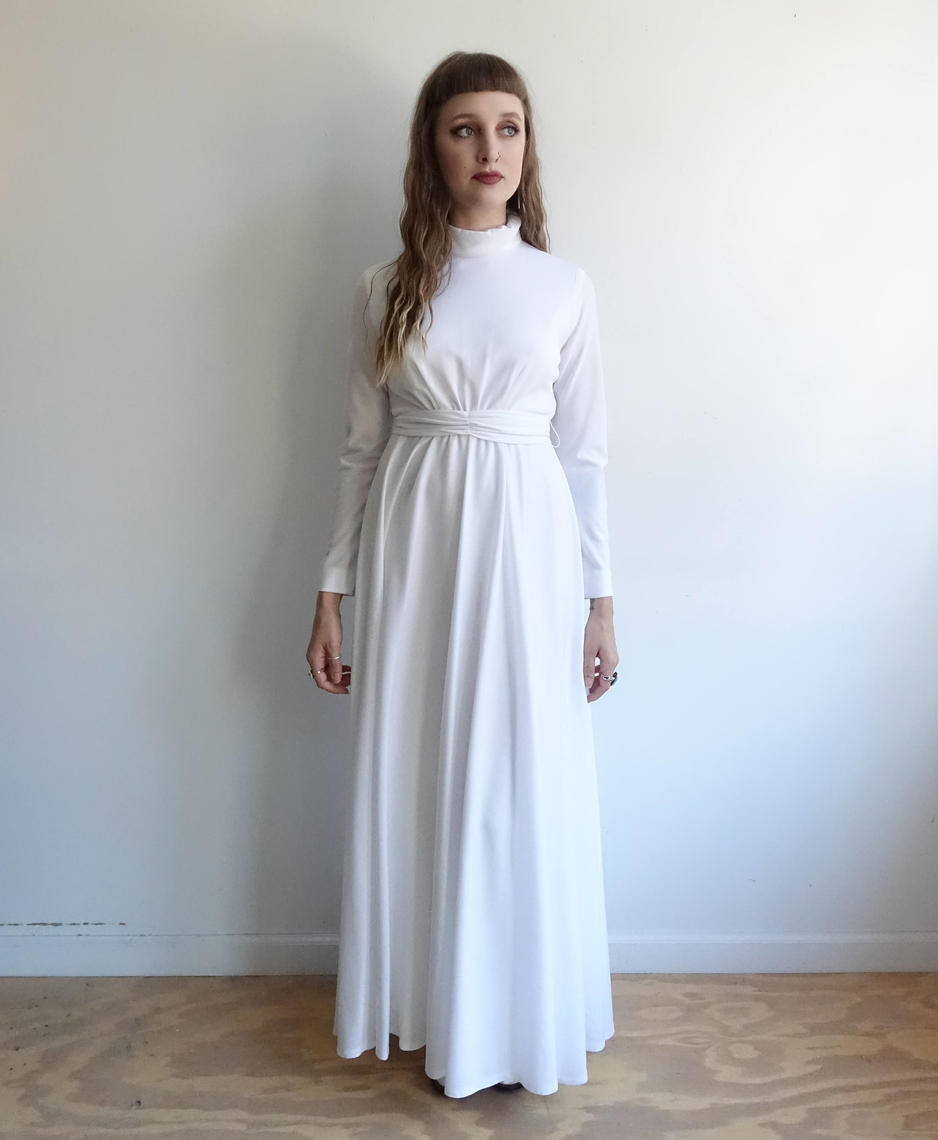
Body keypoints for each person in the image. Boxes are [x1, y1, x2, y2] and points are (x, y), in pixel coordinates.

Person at [306, 50, 619, 1100]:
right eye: (464, 129)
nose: (490, 148)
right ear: (430, 149)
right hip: (415, 542)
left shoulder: (563, 288)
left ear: (527, 149)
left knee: (514, 769)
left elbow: (584, 457)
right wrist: (331, 591)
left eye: (508, 128)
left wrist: (600, 603)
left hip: (527, 546)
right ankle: (436, 1009)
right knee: (424, 761)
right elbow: (359, 452)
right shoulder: (382, 289)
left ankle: (516, 1019)